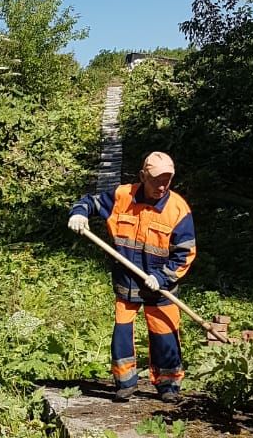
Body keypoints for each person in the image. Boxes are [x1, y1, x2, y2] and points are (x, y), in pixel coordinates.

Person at [68, 152, 196, 403]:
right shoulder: (122, 197)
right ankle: (125, 383)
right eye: (156, 179)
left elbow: (185, 253)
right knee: (123, 333)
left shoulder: (178, 209)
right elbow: (90, 202)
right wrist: (79, 213)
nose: (162, 185)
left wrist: (161, 277)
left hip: (161, 287)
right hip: (126, 283)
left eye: (167, 180)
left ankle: (168, 386)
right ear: (142, 176)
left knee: (165, 334)